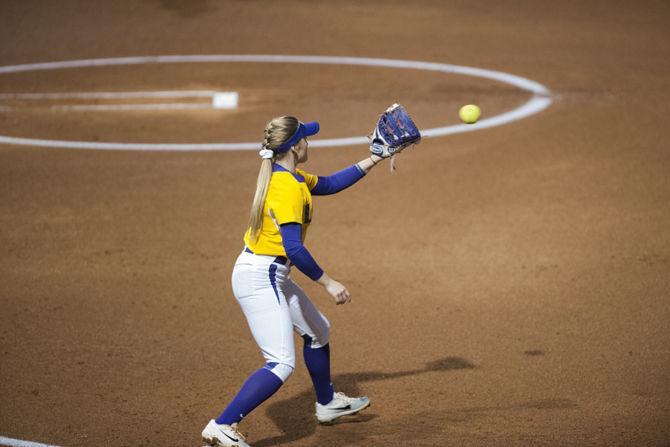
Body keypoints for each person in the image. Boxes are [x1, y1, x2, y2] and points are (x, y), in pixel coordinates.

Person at [202, 116, 385, 447]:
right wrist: (328, 282)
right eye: (305, 138)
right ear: (294, 146)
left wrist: (374, 157)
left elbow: (329, 184)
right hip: (262, 276)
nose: (309, 142)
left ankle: (327, 403)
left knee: (318, 331)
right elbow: (294, 248)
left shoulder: (291, 176)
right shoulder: (285, 187)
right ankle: (223, 424)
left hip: (269, 272)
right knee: (280, 362)